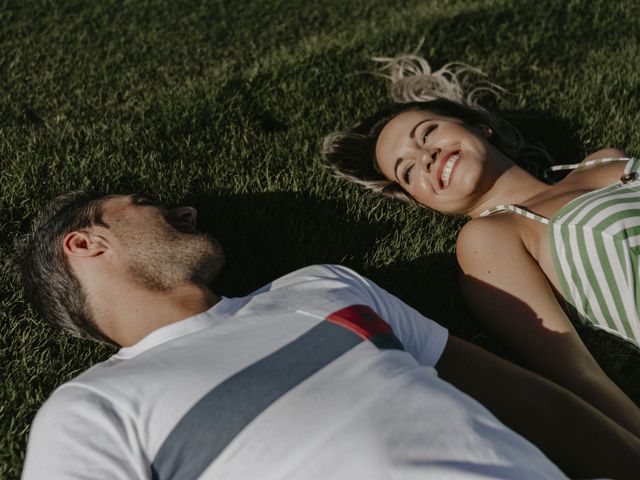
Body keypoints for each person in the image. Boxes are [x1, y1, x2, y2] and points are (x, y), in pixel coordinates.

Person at [15, 191, 640, 479]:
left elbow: (528, 402)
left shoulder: (321, 287)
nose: (185, 211)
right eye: (146, 204)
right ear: (86, 242)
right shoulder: (90, 411)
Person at [322, 53, 640, 439]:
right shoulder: (488, 240)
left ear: (478, 126)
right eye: (407, 171)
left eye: (427, 134)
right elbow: (580, 378)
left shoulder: (603, 161)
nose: (426, 157)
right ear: (422, 202)